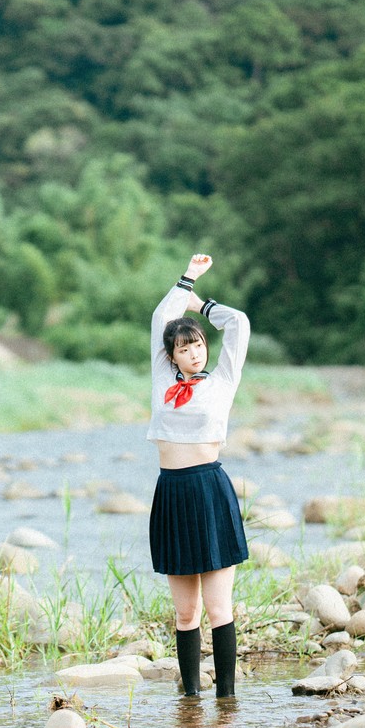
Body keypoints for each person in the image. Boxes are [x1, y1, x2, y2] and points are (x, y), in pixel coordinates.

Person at [147, 253, 251, 699]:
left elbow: (240, 324)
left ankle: (226, 699)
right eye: (183, 347)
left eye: (197, 345)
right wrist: (186, 278)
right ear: (171, 356)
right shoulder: (161, 380)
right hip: (171, 493)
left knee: (217, 607)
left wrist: (201, 305)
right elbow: (160, 317)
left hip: (208, 490)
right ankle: (190, 701)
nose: (192, 352)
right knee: (185, 613)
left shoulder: (222, 381)